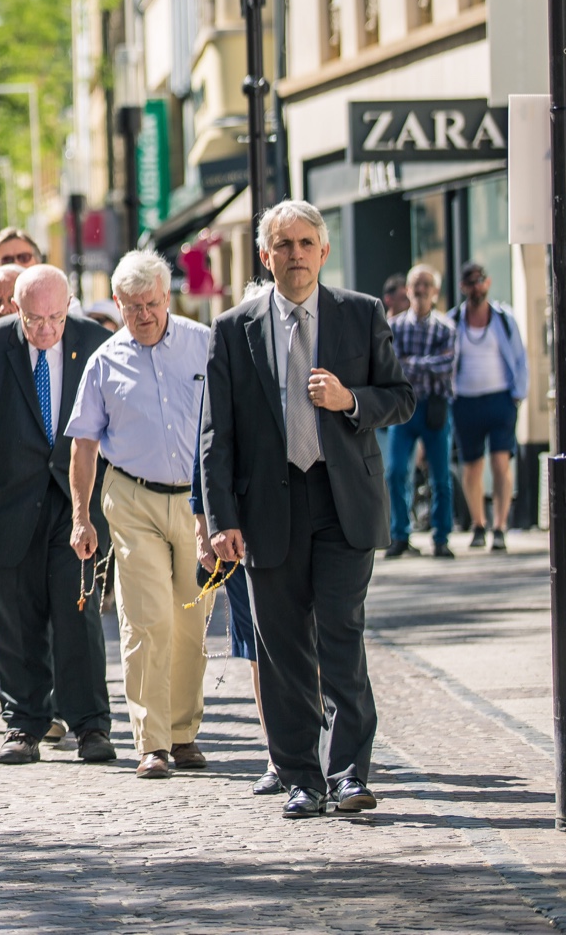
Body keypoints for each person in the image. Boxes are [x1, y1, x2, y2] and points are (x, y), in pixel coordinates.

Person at [202, 200, 414, 818]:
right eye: (282, 245)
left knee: (342, 634)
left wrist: (351, 400)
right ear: (265, 257)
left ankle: (349, 772)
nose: (294, 254)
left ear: (323, 251)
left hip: (342, 502)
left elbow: (400, 398)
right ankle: (300, 776)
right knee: (283, 646)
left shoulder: (361, 313)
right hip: (267, 508)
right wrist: (221, 521)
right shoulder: (233, 328)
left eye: (305, 243)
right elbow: (216, 436)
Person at [0, 265, 116, 767]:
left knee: (77, 615)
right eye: (34, 319)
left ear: (70, 304)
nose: (45, 329)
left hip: (73, 503)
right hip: (3, 503)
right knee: (15, 621)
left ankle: (90, 725)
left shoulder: (97, 343)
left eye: (55, 317)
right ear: (14, 307)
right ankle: (24, 725)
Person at [64, 251, 213, 780]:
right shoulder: (104, 361)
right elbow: (83, 446)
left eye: (150, 303)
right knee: (147, 618)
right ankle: (152, 742)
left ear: (166, 297)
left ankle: (183, 732)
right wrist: (82, 517)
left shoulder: (203, 343)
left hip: (198, 501)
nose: (142, 315)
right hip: (132, 500)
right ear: (119, 305)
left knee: (190, 621)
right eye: (131, 307)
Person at [450, 260, 529, 552]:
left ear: (488, 283)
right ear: (462, 287)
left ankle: (500, 526)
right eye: (469, 282)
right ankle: (478, 524)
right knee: (472, 467)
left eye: (479, 281)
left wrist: (518, 394)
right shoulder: (454, 320)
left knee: (500, 463)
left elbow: (521, 358)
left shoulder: (503, 319)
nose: (475, 287)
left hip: (500, 399)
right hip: (466, 401)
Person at [383, 264, 456, 559]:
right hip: (403, 407)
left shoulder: (445, 328)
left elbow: (447, 365)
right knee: (396, 471)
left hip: (435, 408)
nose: (421, 289)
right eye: (416, 284)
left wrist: (411, 363)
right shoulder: (395, 327)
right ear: (408, 291)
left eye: (427, 284)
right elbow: (392, 365)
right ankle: (400, 534)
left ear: (435, 291)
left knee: (441, 476)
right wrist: (425, 362)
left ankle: (441, 536)